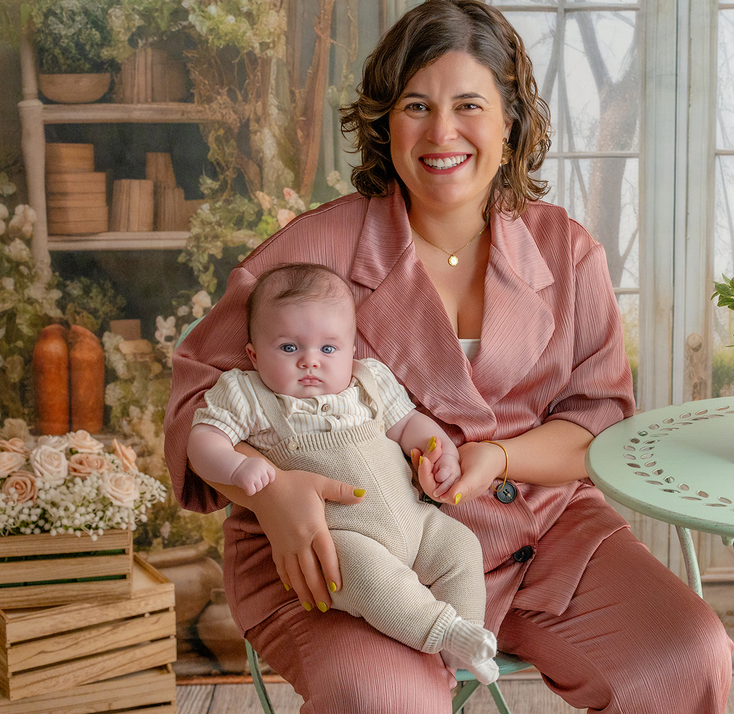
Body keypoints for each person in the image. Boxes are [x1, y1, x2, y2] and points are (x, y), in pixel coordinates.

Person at [166, 0, 733, 713]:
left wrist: (498, 456)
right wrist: (271, 493)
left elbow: (598, 424)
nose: (442, 132)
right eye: (416, 106)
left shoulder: (568, 252)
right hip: (343, 548)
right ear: (384, 122)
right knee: (384, 700)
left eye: (469, 105)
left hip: (545, 533)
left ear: (509, 120)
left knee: (686, 653)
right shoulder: (314, 249)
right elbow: (196, 400)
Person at [185, 262, 499, 684]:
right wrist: (239, 465)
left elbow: (409, 424)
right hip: (342, 538)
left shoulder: (369, 381)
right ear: (254, 354)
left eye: (328, 349)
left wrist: (440, 453)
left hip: (416, 521)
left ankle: (463, 645)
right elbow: (202, 441)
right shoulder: (248, 394)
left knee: (461, 546)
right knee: (368, 578)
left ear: (352, 351)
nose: (309, 362)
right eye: (289, 348)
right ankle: (444, 633)